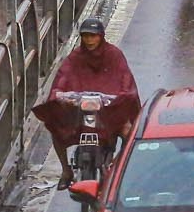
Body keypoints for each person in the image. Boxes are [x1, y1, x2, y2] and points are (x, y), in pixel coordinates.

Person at [36, 18, 143, 187]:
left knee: (128, 133)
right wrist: (59, 94)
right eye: (85, 36)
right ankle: (66, 170)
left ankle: (121, 169)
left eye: (93, 36)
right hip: (80, 110)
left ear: (101, 37)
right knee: (56, 130)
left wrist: (123, 95)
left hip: (109, 110)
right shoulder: (75, 57)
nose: (89, 40)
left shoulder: (114, 54)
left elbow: (125, 78)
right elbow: (63, 77)